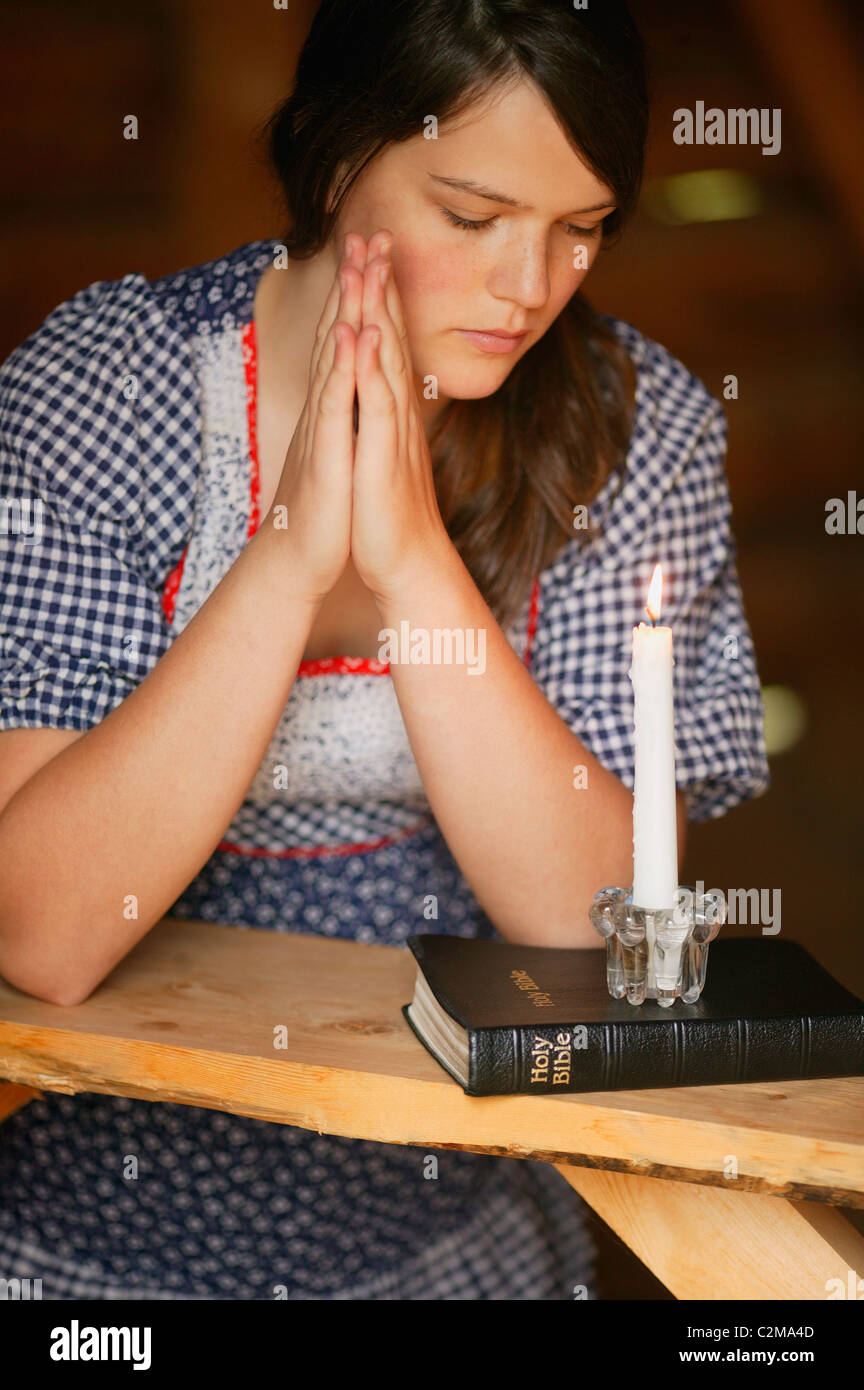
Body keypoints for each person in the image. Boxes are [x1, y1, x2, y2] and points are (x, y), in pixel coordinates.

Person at [0, 0, 769, 1299]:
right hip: (87, 1263)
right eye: (473, 217)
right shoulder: (107, 388)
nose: (531, 287)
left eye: (581, 227)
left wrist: (415, 563)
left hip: (448, 1244)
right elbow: (46, 931)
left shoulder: (636, 435)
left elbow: (590, 934)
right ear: (337, 155)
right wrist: (290, 558)